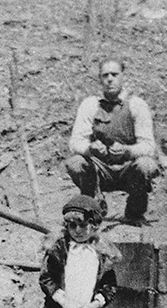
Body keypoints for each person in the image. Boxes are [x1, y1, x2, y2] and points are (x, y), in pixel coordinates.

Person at [67, 59, 159, 225]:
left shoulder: (137, 105)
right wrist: (90, 149)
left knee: (146, 164)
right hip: (99, 170)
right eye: (105, 75)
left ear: (123, 76)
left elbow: (149, 146)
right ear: (100, 79)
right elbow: (75, 142)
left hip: (128, 169)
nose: (110, 79)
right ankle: (92, 207)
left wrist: (127, 151)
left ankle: (134, 212)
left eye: (114, 74)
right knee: (76, 162)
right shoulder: (90, 105)